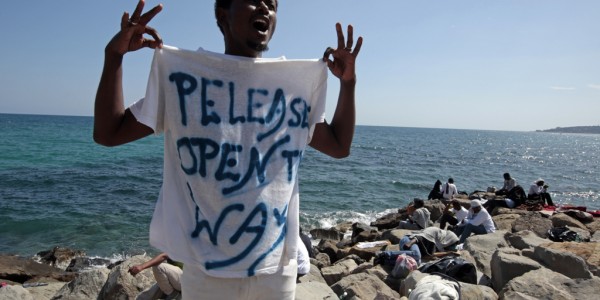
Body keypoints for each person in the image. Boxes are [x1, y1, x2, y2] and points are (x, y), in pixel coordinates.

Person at [93, 1, 362, 299]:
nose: (264, 8)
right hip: (206, 273)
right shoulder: (185, 77)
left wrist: (348, 84)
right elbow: (108, 133)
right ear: (223, 14)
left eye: (272, 4)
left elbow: (338, 146)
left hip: (276, 273)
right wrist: (114, 56)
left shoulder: (293, 86)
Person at [376, 227, 459, 265]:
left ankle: (384, 261)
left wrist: (448, 252)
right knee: (416, 255)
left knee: (417, 262)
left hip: (410, 250)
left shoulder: (435, 242)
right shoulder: (435, 231)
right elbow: (418, 237)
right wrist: (410, 243)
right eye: (450, 242)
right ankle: (385, 254)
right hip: (408, 240)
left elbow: (430, 255)